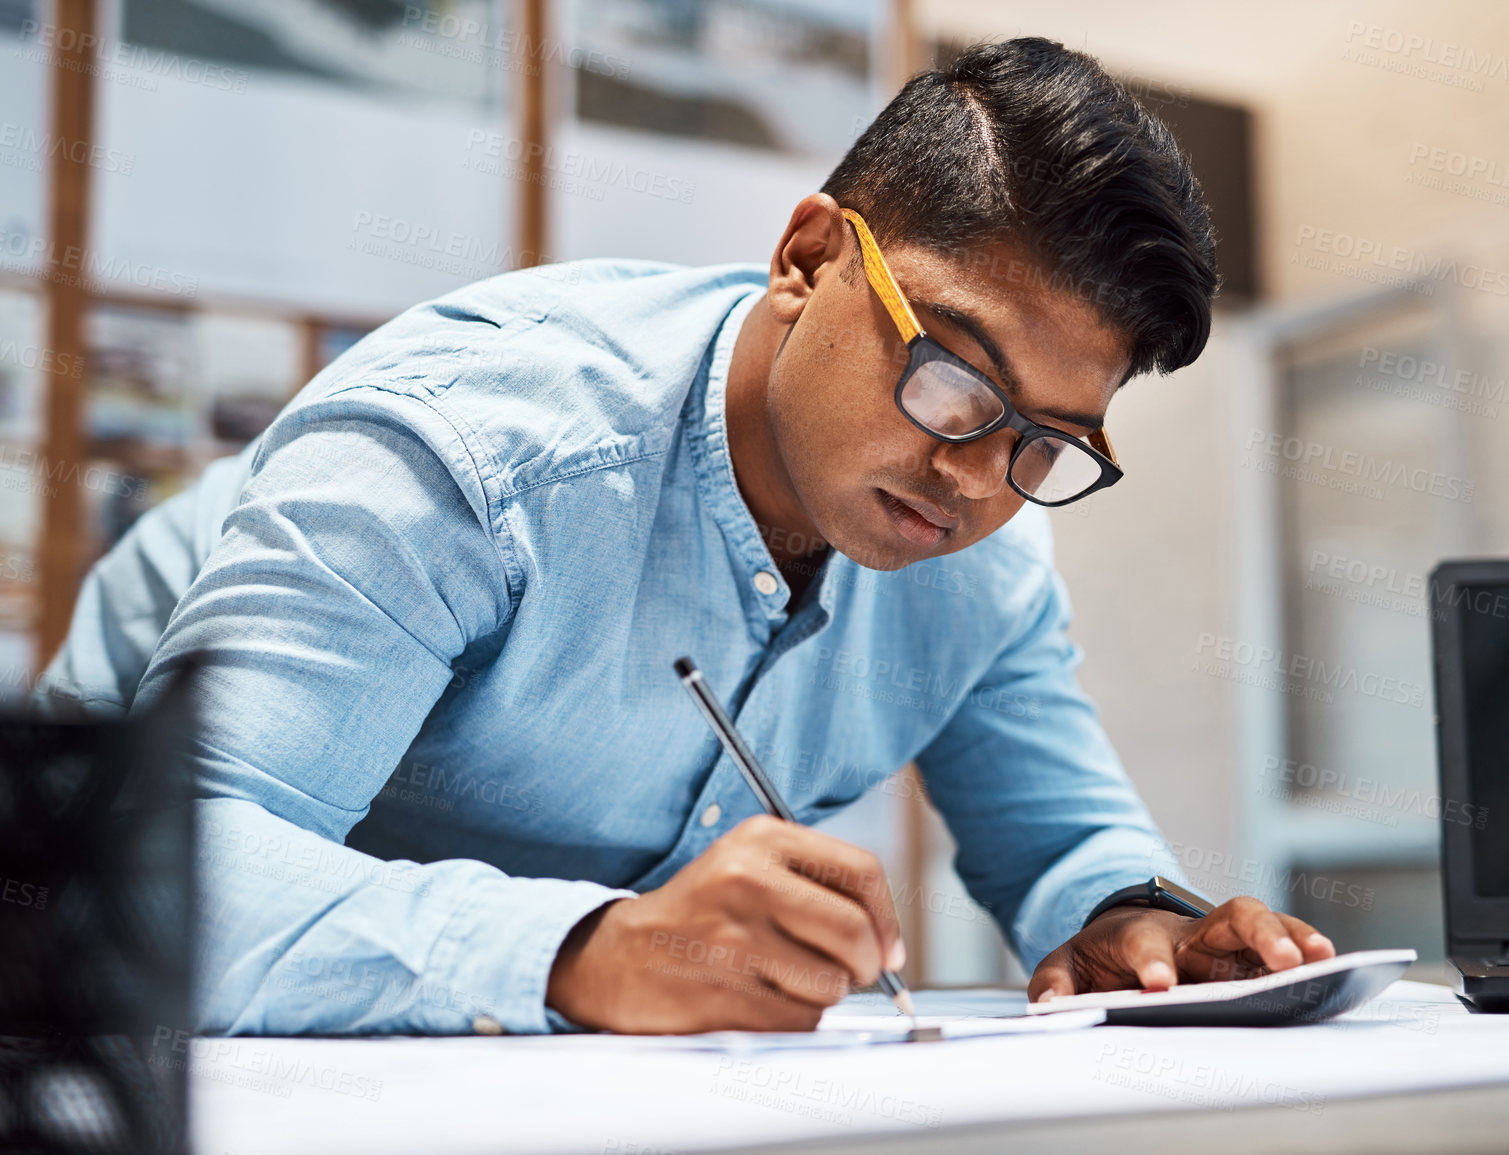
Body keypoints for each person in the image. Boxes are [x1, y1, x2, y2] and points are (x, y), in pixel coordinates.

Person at [36, 37, 1334, 1036]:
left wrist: (1129, 921)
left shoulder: (982, 557)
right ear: (808, 256)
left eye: (1046, 442)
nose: (974, 476)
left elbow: (1060, 841)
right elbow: (143, 877)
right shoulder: (471, 452)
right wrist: (590, 953)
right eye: (952, 375)